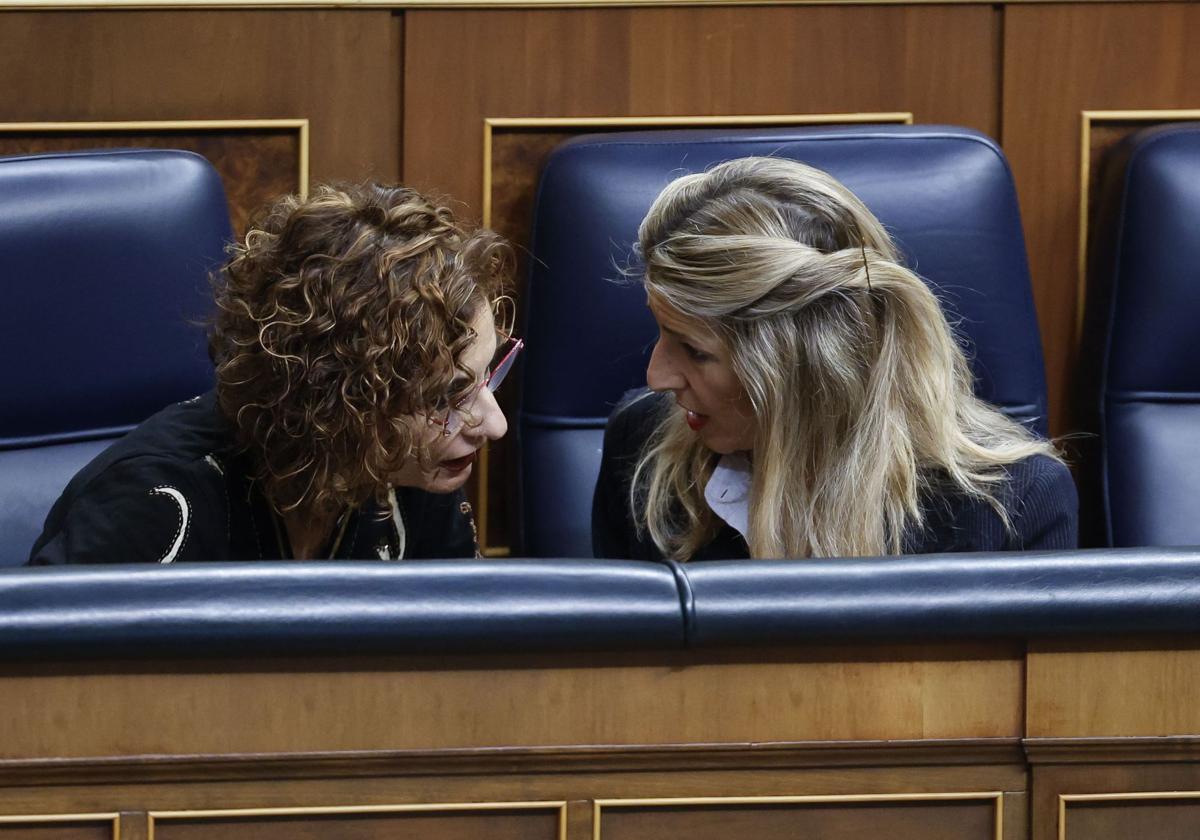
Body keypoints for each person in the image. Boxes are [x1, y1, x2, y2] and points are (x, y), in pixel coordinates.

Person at [593, 157, 1077, 561]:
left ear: (810, 365)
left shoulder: (1014, 503)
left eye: (696, 351)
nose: (657, 377)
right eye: (661, 333)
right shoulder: (641, 447)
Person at [30, 182, 518, 564]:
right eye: (444, 398)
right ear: (339, 401)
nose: (494, 425)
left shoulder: (415, 473)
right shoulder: (154, 503)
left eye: (484, 378)